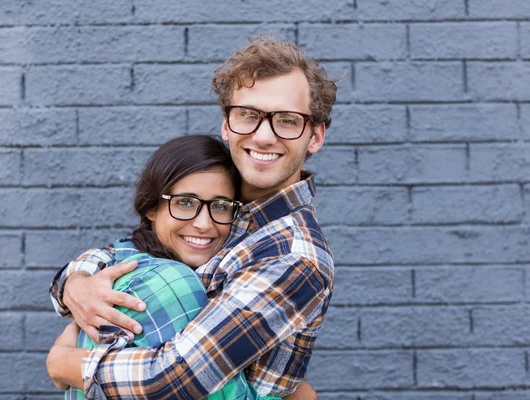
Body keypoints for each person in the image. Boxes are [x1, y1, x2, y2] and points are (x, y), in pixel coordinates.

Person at [47, 36, 335, 399]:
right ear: (227, 125)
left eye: (288, 120)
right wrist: (75, 283)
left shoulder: (292, 255)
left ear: (315, 136)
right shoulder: (229, 208)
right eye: (248, 115)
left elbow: (171, 378)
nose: (264, 136)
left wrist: (64, 364)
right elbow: (129, 250)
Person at [60, 134, 266, 399]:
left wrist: (74, 280)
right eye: (185, 202)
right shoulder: (172, 281)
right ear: (151, 207)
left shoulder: (124, 261)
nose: (204, 223)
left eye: (220, 206)